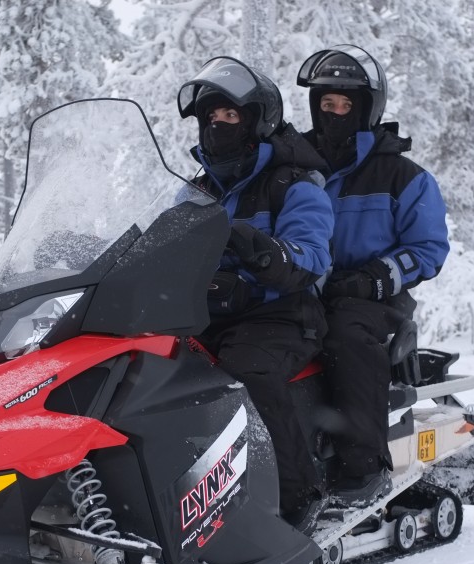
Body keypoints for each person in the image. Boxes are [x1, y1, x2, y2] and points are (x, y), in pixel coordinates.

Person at [177, 56, 335, 532]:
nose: (218, 126)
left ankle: (297, 496)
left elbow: (311, 255)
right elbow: (159, 243)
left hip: (283, 316)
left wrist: (263, 251)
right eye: (212, 117)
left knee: (248, 371)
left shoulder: (292, 183)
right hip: (210, 316)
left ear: (255, 122)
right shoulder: (197, 190)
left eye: (230, 116)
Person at [295, 44, 450, 506]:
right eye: (327, 105)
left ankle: (362, 464)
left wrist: (374, 277)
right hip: (303, 288)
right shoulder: (296, 167)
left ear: (366, 110)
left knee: (343, 332)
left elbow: (428, 248)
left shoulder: (402, 175)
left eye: (346, 105)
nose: (335, 114)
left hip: (376, 300)